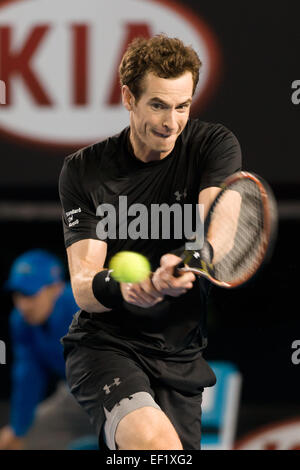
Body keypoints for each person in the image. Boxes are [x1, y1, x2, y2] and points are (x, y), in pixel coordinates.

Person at [58, 35, 242, 450]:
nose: (171, 122)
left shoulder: (213, 145)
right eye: (158, 104)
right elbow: (84, 286)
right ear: (128, 97)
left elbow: (221, 230)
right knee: (157, 450)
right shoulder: (85, 171)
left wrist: (188, 261)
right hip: (106, 347)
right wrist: (126, 289)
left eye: (183, 106)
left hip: (181, 356)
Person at [0, 249, 95, 450]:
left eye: (30, 294)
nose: (23, 305)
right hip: (74, 395)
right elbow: (27, 375)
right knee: (19, 442)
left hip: (117, 390)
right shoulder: (20, 321)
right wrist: (18, 429)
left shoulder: (85, 305)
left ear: (56, 288)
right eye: (18, 295)